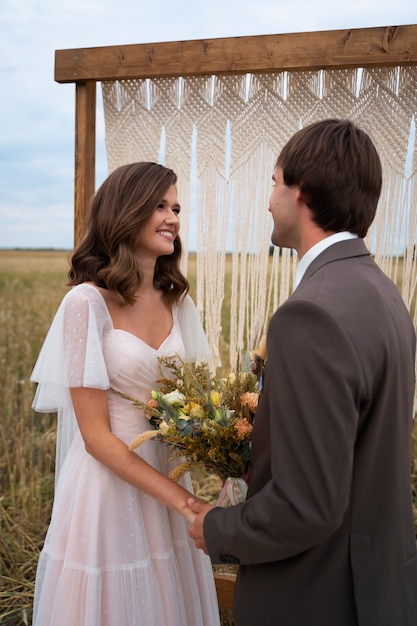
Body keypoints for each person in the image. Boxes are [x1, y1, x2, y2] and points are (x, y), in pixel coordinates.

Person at [189, 119, 417, 625]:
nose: (268, 199)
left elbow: (307, 506)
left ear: (302, 192)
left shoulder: (309, 313)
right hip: (379, 586)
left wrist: (219, 529)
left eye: (273, 183)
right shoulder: (385, 296)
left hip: (317, 595)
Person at [31, 162, 221, 626]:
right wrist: (183, 502)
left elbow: (202, 403)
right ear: (126, 211)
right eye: (159, 205)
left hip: (170, 472)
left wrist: (225, 451)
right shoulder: (86, 304)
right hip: (109, 487)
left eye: (176, 207)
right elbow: (95, 437)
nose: (173, 217)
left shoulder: (179, 300)